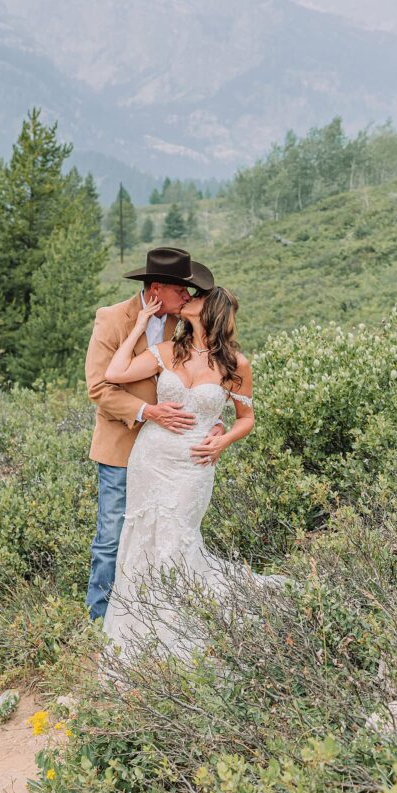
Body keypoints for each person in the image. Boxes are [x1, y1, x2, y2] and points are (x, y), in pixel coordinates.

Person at [101, 282, 277, 661]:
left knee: (178, 538)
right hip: (150, 458)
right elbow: (116, 373)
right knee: (143, 538)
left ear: (212, 309)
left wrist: (223, 439)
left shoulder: (235, 364)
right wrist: (141, 323)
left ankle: (182, 636)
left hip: (194, 465)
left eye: (196, 297)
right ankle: (141, 635)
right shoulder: (168, 352)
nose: (188, 299)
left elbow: (246, 418)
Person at [84, 246, 224, 622]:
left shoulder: (182, 323)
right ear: (159, 288)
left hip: (169, 454)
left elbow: (203, 372)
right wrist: (149, 412)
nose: (189, 298)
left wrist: (211, 419)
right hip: (122, 445)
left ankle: (155, 614)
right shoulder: (112, 319)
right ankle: (100, 618)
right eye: (184, 290)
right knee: (113, 534)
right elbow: (99, 387)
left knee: (160, 534)